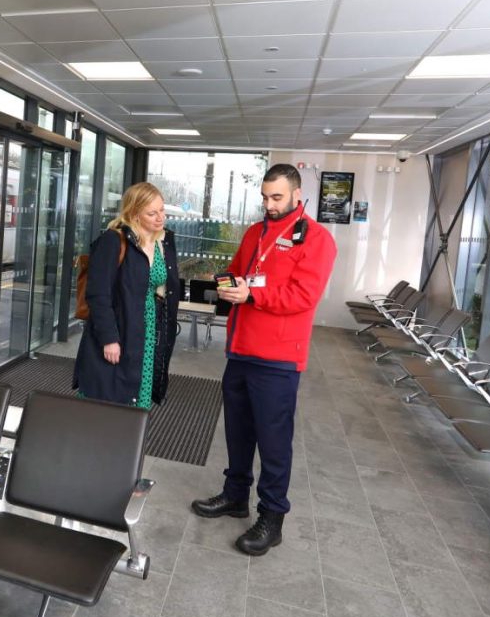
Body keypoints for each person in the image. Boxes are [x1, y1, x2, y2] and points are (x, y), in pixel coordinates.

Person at [192, 163, 337, 556]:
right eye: (265, 197)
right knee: (238, 432)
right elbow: (239, 272)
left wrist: (253, 296)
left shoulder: (317, 239)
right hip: (239, 351)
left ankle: (272, 517)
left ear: (296, 195)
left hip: (277, 360)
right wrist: (227, 283)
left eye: (277, 198)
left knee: (274, 442)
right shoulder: (256, 232)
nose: (269, 205)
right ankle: (236, 495)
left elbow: (303, 297)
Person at [74, 181, 180, 408]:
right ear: (134, 213)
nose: (160, 217)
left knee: (138, 396)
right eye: (152, 213)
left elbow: (164, 287)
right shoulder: (114, 241)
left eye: (162, 210)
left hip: (148, 331)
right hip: (120, 328)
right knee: (108, 396)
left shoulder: (164, 241)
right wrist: (109, 339)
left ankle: (129, 441)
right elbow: (98, 294)